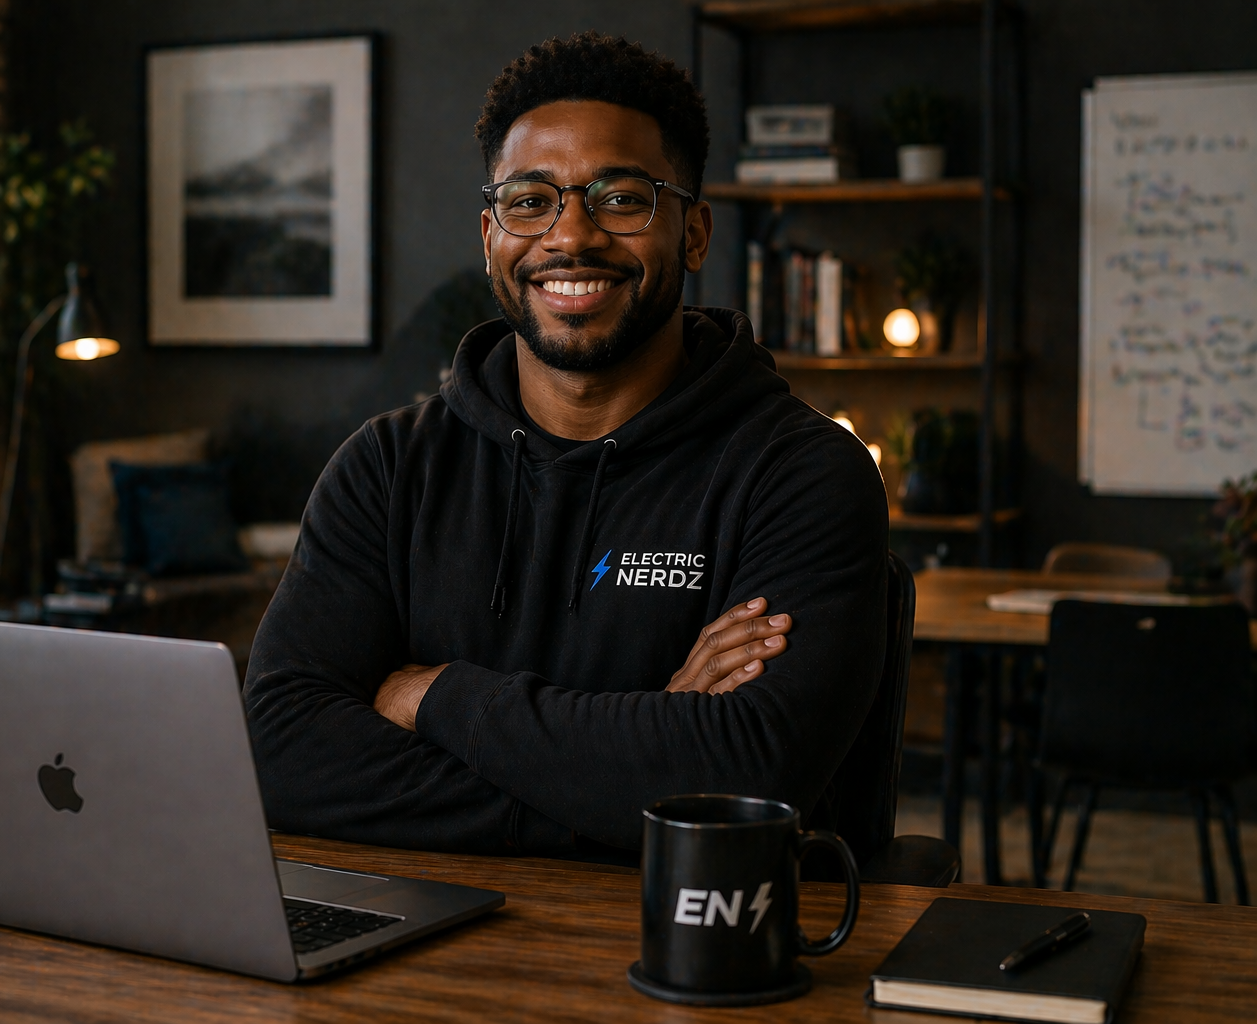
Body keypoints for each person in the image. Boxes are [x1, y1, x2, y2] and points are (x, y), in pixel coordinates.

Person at [243, 32, 887, 858]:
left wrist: (436, 697)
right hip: (415, 959)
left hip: (689, 952)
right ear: (489, 236)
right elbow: (281, 752)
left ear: (692, 232)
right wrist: (629, 786)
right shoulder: (387, 468)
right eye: (530, 200)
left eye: (621, 199)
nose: (570, 236)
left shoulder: (801, 474)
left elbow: (746, 774)